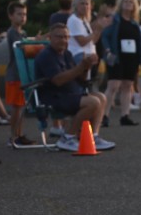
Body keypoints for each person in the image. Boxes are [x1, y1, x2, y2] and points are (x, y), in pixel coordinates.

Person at [33, 23, 114, 151]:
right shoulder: (46, 56)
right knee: (93, 102)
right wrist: (80, 67)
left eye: (66, 37)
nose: (63, 40)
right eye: (59, 37)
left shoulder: (66, 54)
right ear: (50, 38)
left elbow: (80, 78)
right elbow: (58, 80)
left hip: (70, 94)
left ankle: (93, 136)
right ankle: (68, 137)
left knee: (102, 97)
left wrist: (86, 66)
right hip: (54, 97)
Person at [100, 0, 141, 126]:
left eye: (131, 2)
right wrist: (108, 50)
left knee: (128, 86)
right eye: (125, 1)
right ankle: (103, 116)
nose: (128, 3)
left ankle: (125, 115)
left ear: (134, 6)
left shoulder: (134, 23)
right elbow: (105, 35)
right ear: (120, 4)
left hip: (131, 58)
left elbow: (139, 42)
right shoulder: (115, 20)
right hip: (116, 57)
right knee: (113, 85)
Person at [4, 2, 35, 147]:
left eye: (24, 14)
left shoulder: (22, 33)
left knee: (21, 107)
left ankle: (19, 134)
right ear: (11, 16)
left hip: (21, 75)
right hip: (14, 75)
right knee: (16, 108)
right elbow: (22, 47)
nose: (22, 17)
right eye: (19, 14)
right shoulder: (12, 32)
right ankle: (13, 136)